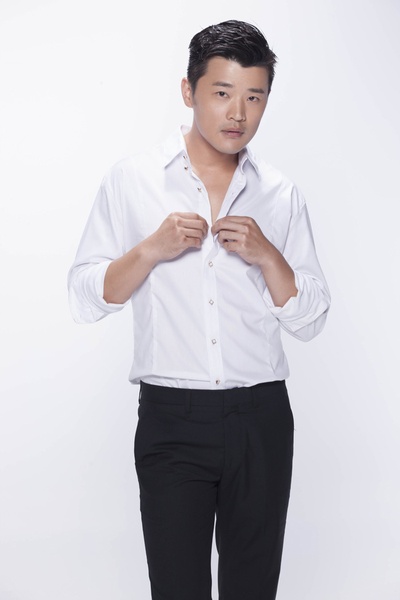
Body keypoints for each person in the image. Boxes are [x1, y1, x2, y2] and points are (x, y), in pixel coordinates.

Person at [68, 19, 330, 600]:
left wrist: (269, 256)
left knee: (252, 589)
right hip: (172, 420)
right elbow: (85, 296)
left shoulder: (280, 193)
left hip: (261, 417)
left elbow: (311, 319)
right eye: (222, 93)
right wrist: (151, 250)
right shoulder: (132, 180)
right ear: (188, 91)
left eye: (255, 97)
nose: (238, 113)